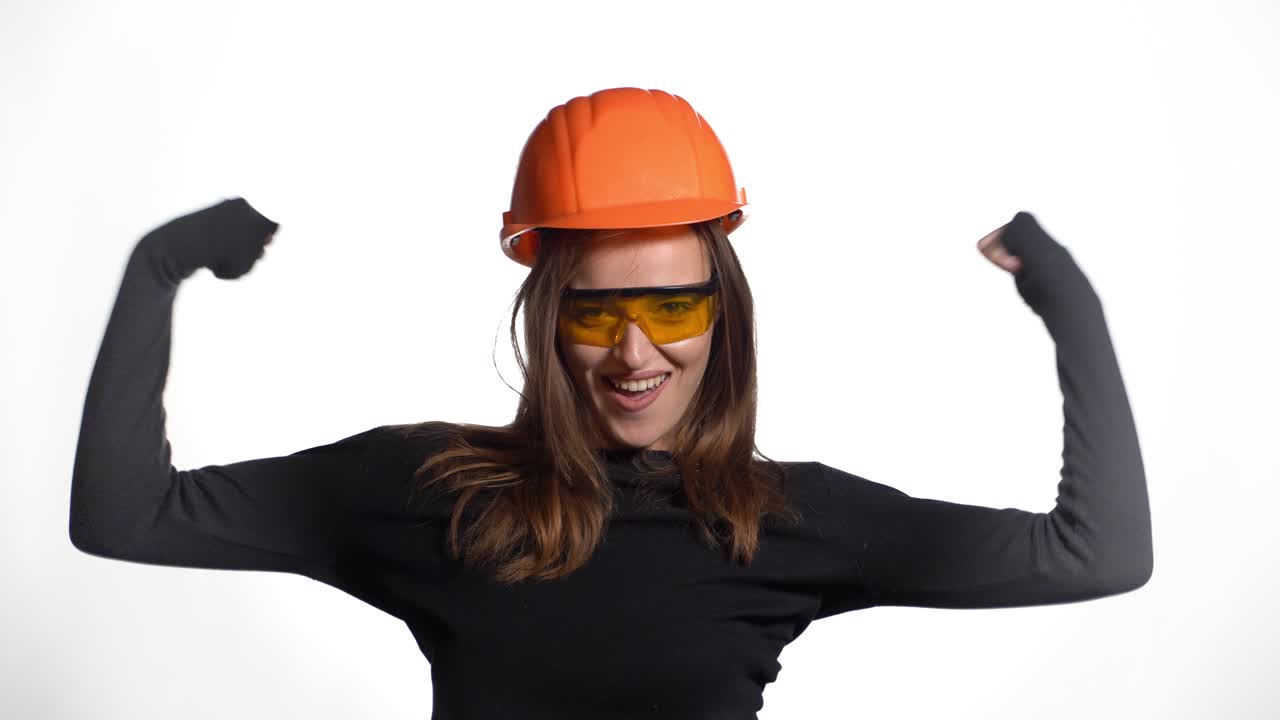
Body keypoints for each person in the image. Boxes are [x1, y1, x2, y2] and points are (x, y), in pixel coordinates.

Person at [69, 87, 1153, 719]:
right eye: (595, 314)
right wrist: (155, 269)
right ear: (546, 319)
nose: (635, 352)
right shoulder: (427, 493)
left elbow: (1094, 556)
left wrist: (1073, 314)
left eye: (673, 306)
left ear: (720, 313)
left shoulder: (783, 520)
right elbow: (129, 517)